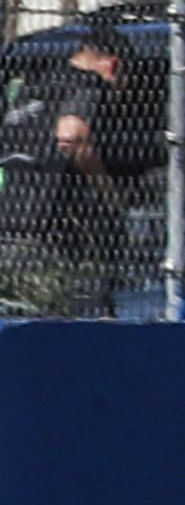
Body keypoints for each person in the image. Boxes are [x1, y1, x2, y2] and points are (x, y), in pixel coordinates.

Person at [0, 35, 145, 317]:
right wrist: (111, 194)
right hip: (42, 230)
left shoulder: (37, 87)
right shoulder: (88, 85)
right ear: (113, 66)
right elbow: (71, 136)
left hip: (7, 217)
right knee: (58, 310)